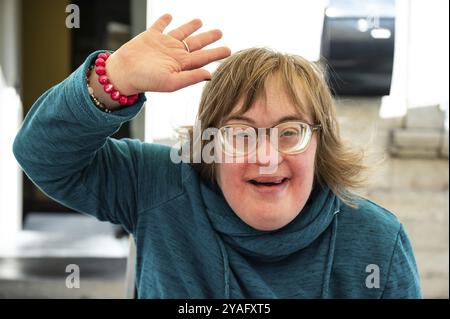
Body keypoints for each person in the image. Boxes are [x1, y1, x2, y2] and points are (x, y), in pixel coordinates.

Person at [13, 14, 422, 298]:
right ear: (210, 144)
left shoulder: (378, 242)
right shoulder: (159, 187)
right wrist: (111, 78)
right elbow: (42, 155)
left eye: (290, 132)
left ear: (320, 142)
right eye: (240, 134)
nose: (266, 157)